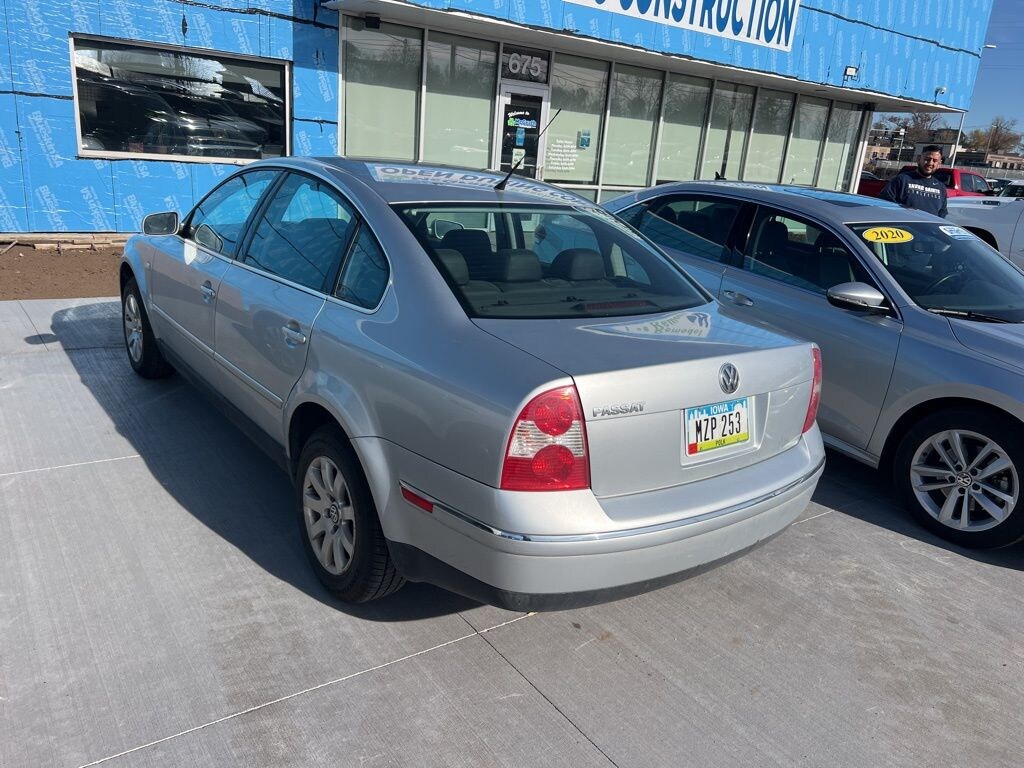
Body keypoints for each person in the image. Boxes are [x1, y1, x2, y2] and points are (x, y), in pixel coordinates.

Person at [878, 145, 948, 217]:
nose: (930, 163)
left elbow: (942, 214)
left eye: (935, 160)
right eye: (927, 159)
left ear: (939, 164)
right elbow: (883, 204)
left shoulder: (941, 188)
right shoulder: (902, 180)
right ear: (918, 159)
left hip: (926, 228)